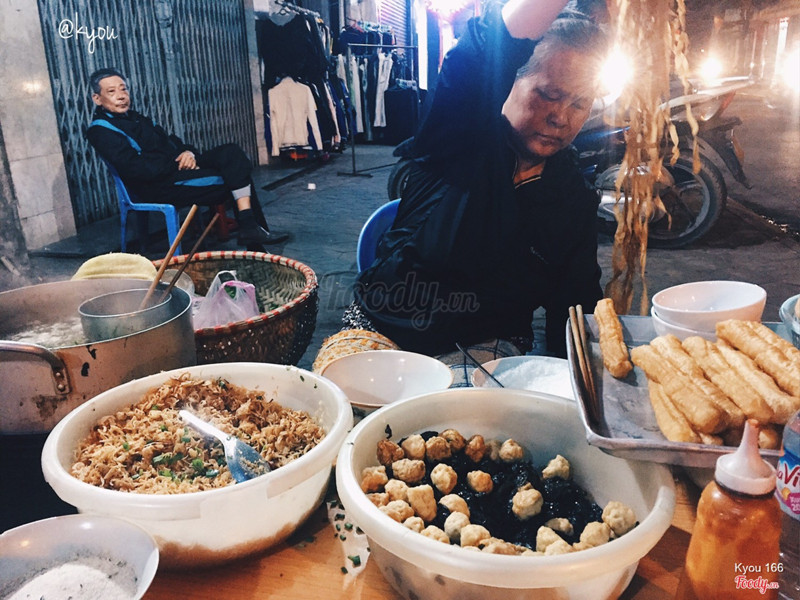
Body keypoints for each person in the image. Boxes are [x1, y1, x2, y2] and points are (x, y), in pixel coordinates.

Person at [348, 0, 608, 358]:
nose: (561, 118)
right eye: (549, 95)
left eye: (579, 104)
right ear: (508, 80)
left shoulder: (573, 197)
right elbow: (479, 53)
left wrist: (573, 381)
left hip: (488, 345)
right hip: (386, 330)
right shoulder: (457, 136)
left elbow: (575, 307)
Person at [85, 67, 288, 248]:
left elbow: (172, 142)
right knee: (236, 178)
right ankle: (252, 234)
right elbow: (136, 168)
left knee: (231, 153)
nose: (121, 96)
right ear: (97, 98)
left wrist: (188, 153)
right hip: (156, 185)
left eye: (123, 89)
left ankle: (250, 229)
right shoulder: (101, 130)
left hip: (175, 169)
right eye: (111, 92)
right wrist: (178, 165)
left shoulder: (138, 118)